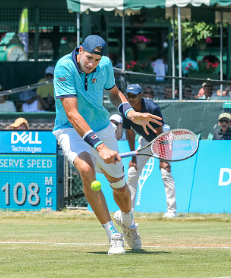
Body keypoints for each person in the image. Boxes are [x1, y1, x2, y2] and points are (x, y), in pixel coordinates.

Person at [53, 35, 162, 255]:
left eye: (96, 59)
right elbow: (72, 114)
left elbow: (114, 94)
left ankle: (129, 223)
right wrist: (100, 147)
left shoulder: (104, 65)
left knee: (120, 188)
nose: (91, 63)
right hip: (70, 128)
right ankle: (113, 234)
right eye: (89, 57)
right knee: (86, 169)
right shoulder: (64, 67)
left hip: (102, 127)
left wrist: (130, 113)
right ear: (80, 50)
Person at [122, 84, 177, 219]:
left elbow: (160, 134)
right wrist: (133, 157)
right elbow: (130, 134)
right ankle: (128, 211)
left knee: (165, 172)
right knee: (132, 172)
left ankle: (172, 211)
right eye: (128, 96)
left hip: (162, 139)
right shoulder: (126, 111)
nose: (131, 99)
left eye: (134, 96)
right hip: (146, 141)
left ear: (141, 95)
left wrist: (163, 158)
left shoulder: (153, 108)